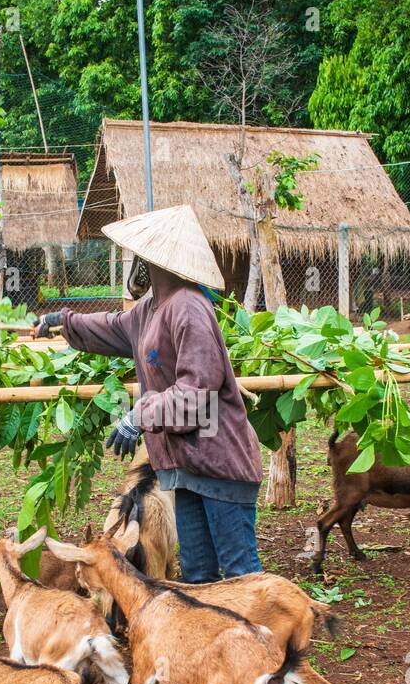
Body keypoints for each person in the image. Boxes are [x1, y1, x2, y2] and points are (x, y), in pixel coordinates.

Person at [33, 204, 263, 582]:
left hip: (220, 464)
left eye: (140, 256)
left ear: (155, 260)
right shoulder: (152, 309)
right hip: (186, 467)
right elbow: (110, 326)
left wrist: (137, 416)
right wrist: (63, 321)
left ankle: (271, 640)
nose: (135, 264)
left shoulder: (189, 309)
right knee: (198, 573)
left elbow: (196, 391)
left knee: (240, 571)